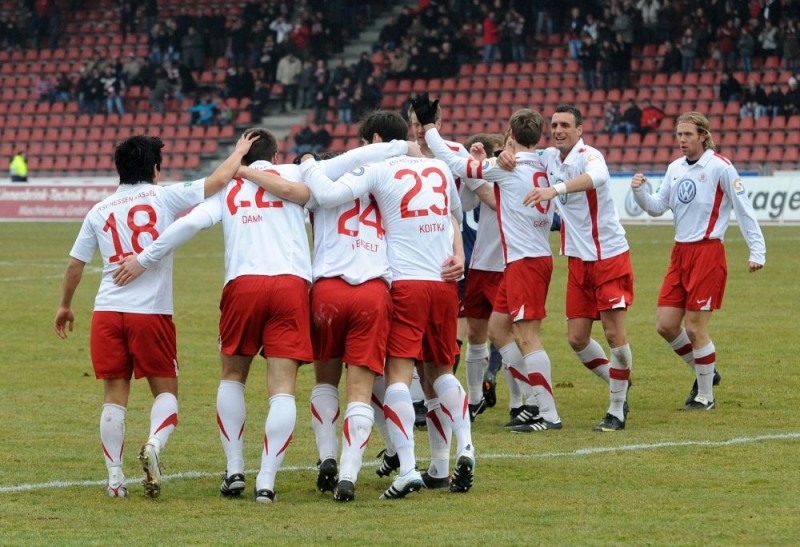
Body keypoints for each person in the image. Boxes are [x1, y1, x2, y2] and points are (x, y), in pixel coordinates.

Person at [112, 128, 417, 503]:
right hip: (291, 287)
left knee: (233, 377)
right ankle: (267, 482)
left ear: (244, 157)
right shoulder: (293, 173)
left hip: (243, 284)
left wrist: (144, 259)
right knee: (283, 388)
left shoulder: (229, 185)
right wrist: (401, 146)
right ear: (275, 158)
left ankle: (236, 469)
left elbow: (190, 223)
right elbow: (351, 159)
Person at [53, 133, 259, 499]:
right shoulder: (164, 195)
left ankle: (115, 479)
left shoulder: (98, 211)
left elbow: (75, 264)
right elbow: (217, 182)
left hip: (106, 312)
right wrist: (239, 152)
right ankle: (153, 446)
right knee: (166, 393)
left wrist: (65, 305)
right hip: (150, 314)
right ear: (155, 169)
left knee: (114, 395)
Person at [228, 115, 421, 502]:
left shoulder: (318, 191)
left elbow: (296, 192)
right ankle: (349, 474)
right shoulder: (381, 189)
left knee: (324, 381)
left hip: (328, 292)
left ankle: (327, 456)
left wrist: (249, 169)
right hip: (372, 292)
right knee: (362, 391)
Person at [298, 108, 474, 499]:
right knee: (436, 375)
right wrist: (459, 253)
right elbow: (453, 218)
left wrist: (307, 165)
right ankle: (454, 454)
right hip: (435, 285)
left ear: (375, 142)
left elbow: (320, 194)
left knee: (386, 378)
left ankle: (401, 463)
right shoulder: (438, 169)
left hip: (388, 286)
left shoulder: (373, 174)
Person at [424, 104, 562, 434]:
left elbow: (456, 162)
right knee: (498, 331)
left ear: (511, 135)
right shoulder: (545, 161)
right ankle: (533, 400)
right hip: (522, 260)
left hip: (527, 261)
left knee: (527, 337)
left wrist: (430, 128)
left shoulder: (506, 169)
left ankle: (548, 413)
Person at [630, 112, 765, 409]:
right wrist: (640, 191)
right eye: (679, 134)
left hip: (707, 252)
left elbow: (744, 210)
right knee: (666, 325)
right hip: (680, 253)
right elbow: (656, 207)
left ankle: (706, 396)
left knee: (694, 328)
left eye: (688, 134)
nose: (681, 140)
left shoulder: (720, 168)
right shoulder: (675, 168)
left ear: (703, 135)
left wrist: (757, 251)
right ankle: (706, 370)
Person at [519, 104, 634, 432]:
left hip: (609, 256)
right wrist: (497, 153)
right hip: (578, 262)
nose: (558, 130)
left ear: (580, 130)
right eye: (554, 125)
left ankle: (616, 409)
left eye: (565, 125)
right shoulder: (549, 157)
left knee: (614, 335)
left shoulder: (589, 156)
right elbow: (523, 153)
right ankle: (620, 381)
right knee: (577, 338)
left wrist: (554, 189)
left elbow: (598, 177)